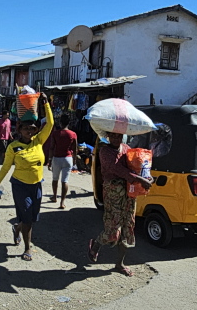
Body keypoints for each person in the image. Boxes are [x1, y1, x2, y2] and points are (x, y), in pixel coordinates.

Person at [0, 98, 54, 261]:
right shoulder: (13, 147)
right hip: (20, 186)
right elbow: (5, 168)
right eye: (26, 128)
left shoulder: (38, 141)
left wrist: (46, 104)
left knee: (31, 218)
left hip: (36, 185)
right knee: (27, 219)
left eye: (32, 128)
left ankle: (17, 228)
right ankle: (27, 248)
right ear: (19, 129)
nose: (29, 131)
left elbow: (51, 123)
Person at [88, 133, 152, 276]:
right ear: (108, 136)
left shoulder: (126, 148)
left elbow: (135, 166)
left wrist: (146, 175)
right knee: (113, 229)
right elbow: (118, 169)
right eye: (113, 136)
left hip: (129, 192)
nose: (116, 139)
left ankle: (120, 263)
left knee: (128, 228)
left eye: (119, 136)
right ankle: (96, 244)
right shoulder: (105, 151)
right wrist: (140, 179)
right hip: (113, 193)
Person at [49, 113, 78, 208]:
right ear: (69, 123)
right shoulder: (73, 134)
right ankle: (62, 202)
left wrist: (49, 160)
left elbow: (52, 147)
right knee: (65, 181)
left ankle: (54, 197)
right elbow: (75, 149)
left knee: (55, 179)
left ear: (60, 123)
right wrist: (74, 160)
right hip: (68, 159)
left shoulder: (55, 133)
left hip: (56, 158)